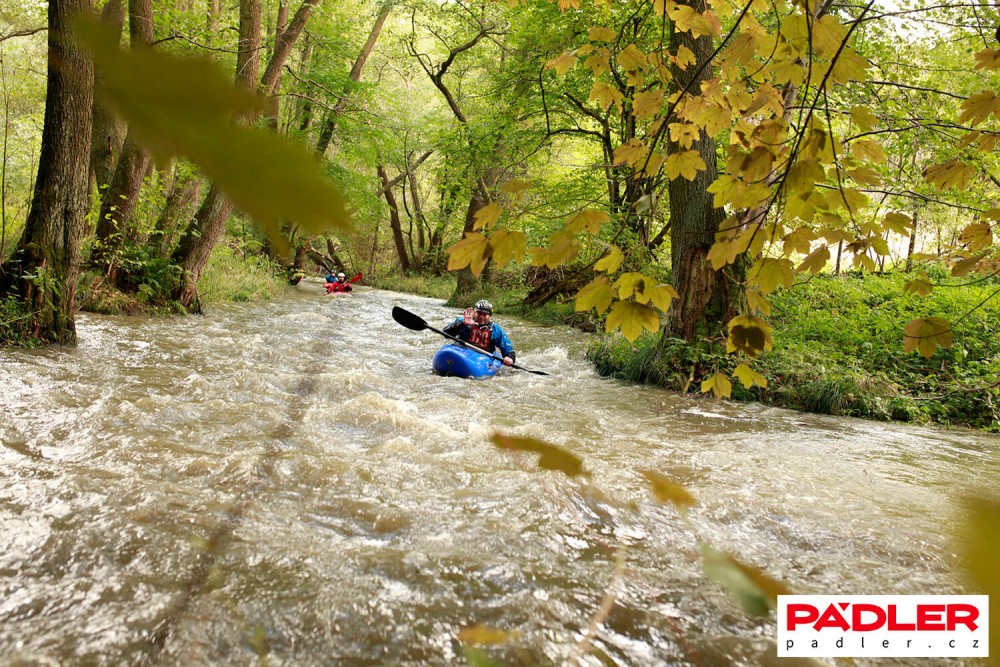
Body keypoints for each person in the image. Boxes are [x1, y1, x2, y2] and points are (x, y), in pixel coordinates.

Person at [443, 300, 516, 366]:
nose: (481, 317)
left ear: (490, 315)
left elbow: (506, 345)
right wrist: (462, 324)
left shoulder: (495, 329)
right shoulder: (464, 321)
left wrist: (510, 357)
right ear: (474, 312)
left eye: (485, 314)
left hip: (483, 356)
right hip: (461, 351)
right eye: (479, 313)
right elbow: (446, 333)